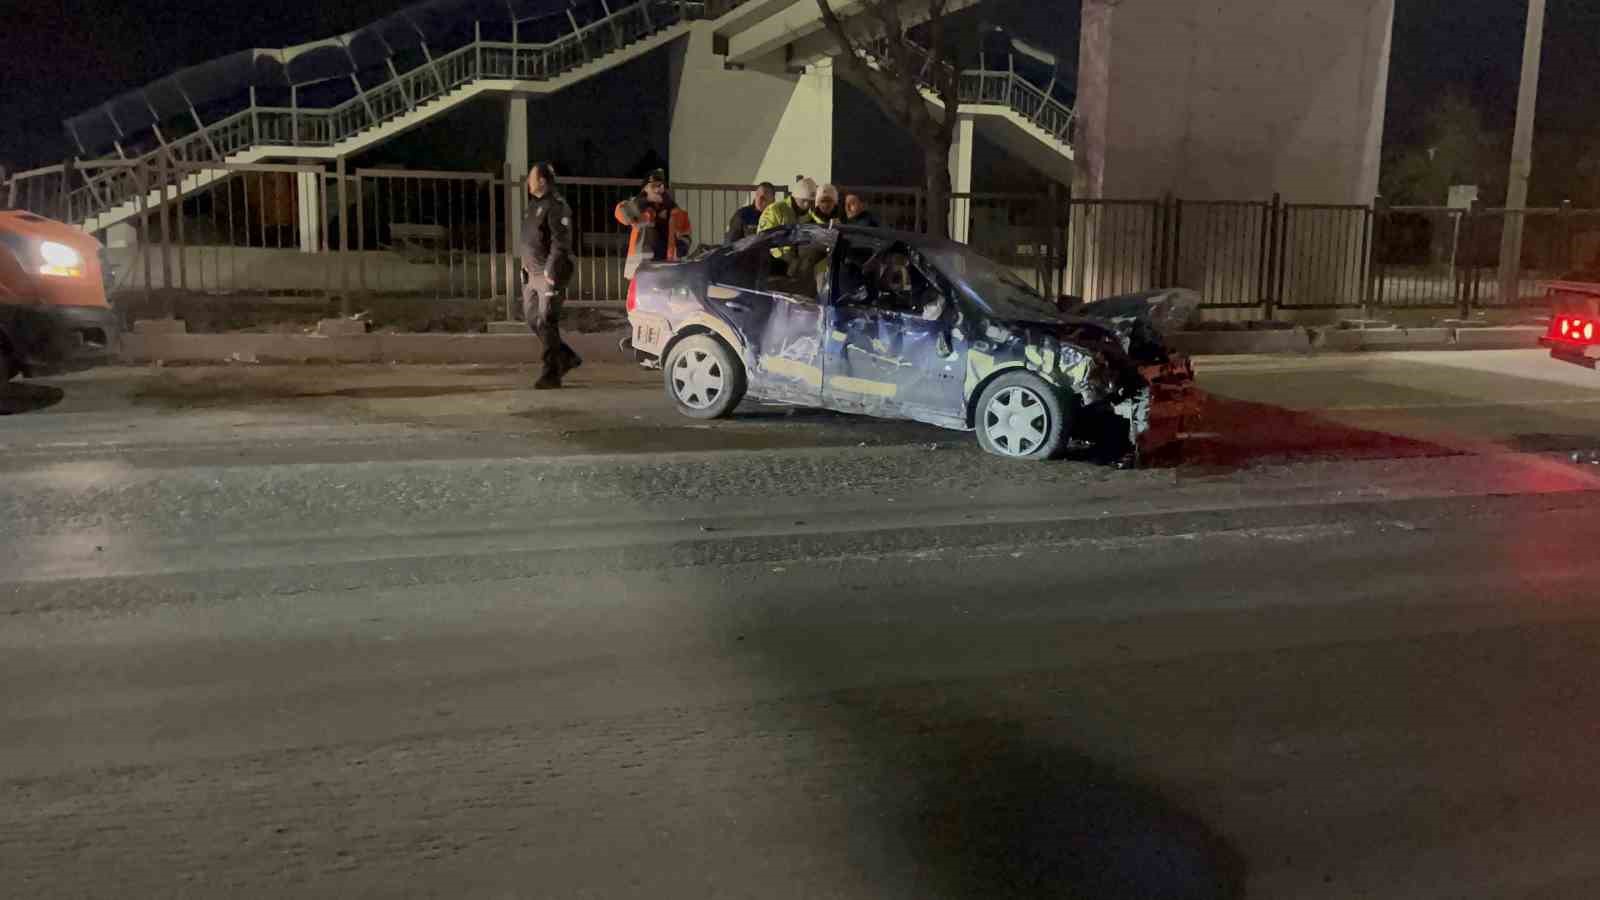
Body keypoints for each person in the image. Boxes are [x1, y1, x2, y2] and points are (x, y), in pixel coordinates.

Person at [521, 161, 581, 390]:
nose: (528, 181)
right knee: (533, 319)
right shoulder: (533, 206)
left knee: (547, 321)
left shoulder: (557, 206)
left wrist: (551, 271)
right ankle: (565, 357)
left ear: (543, 181)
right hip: (531, 273)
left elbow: (561, 242)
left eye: (531, 177)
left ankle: (551, 374)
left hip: (548, 273)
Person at [615, 169, 692, 279]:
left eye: (662, 185)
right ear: (645, 188)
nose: (660, 189)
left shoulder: (676, 211)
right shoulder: (638, 207)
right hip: (642, 269)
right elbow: (622, 214)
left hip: (668, 267)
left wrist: (681, 247)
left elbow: (686, 235)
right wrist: (644, 201)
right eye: (655, 185)